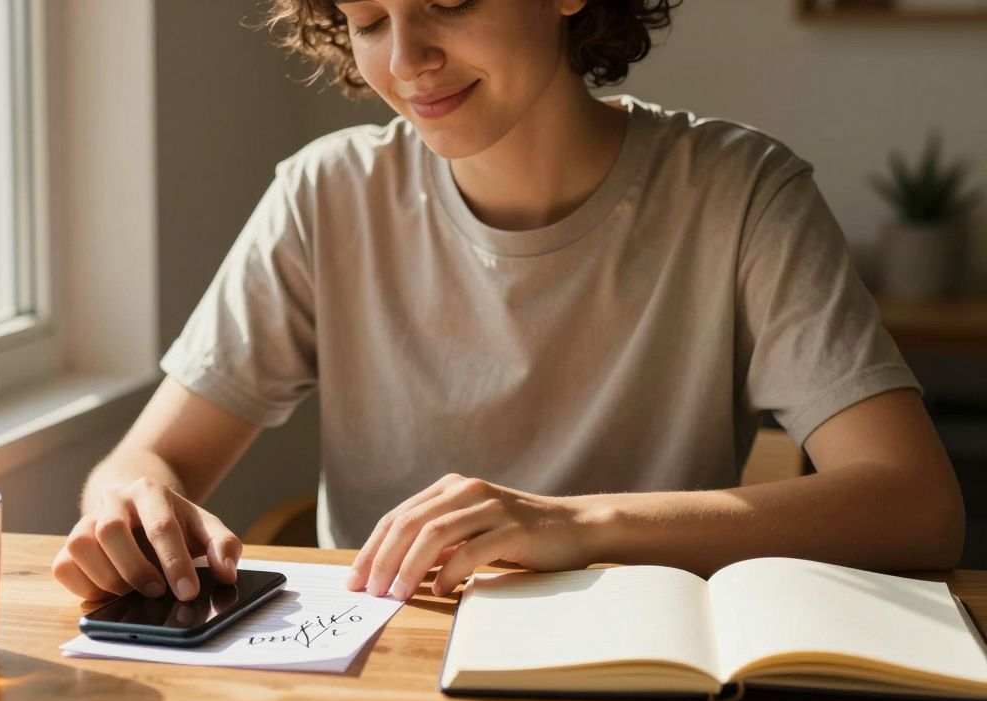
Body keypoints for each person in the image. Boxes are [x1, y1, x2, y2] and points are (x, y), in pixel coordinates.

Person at [51, 0, 964, 604]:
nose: (407, 60)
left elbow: (917, 507)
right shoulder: (325, 196)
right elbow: (151, 457)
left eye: (449, 2)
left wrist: (574, 524)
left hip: (637, 674)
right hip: (384, 676)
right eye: (368, 20)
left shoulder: (742, 193)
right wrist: (133, 503)